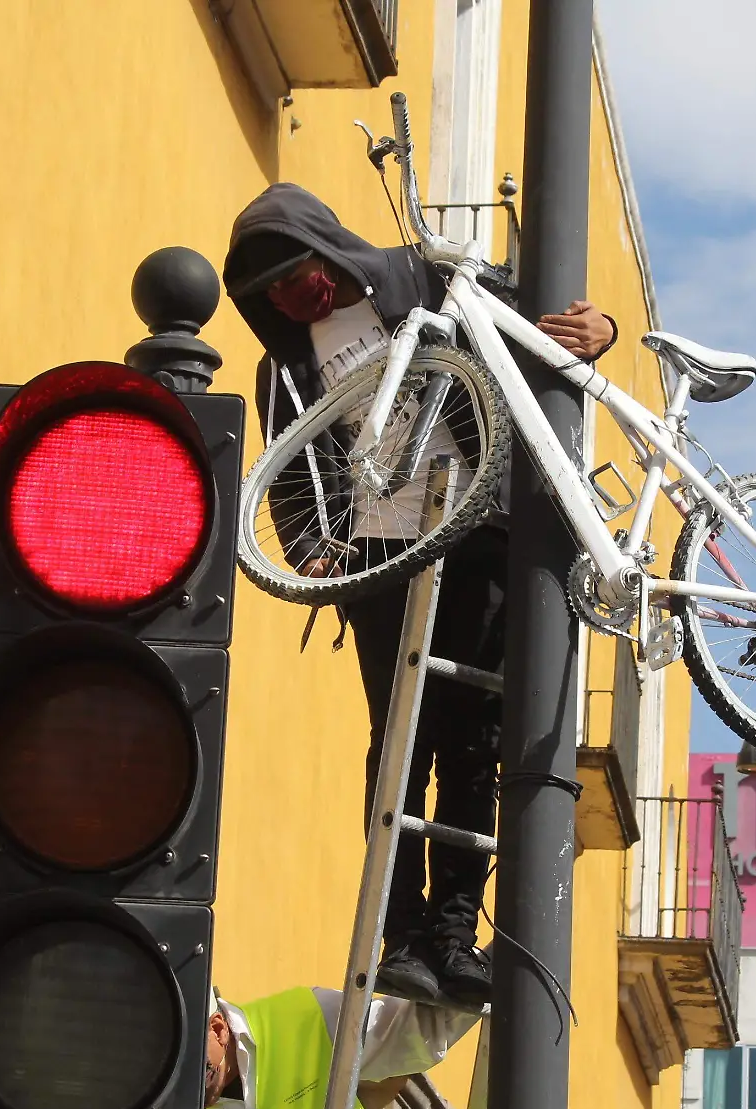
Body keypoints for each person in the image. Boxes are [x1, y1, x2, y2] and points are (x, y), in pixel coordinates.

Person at [223, 184, 615, 1006]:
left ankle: (454, 932)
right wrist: (309, 555)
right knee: (401, 740)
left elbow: (524, 323)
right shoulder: (284, 371)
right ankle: (404, 934)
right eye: (277, 292)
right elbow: (291, 477)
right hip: (379, 556)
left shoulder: (421, 280)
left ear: (328, 248)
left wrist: (599, 332)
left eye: (304, 271)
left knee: (476, 737)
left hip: (479, 531)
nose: (300, 294)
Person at [180, 985, 478, 1109]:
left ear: (218, 1029)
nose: (182, 1091)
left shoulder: (306, 1015)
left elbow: (415, 1035)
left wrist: (492, 966)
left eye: (196, 1071)